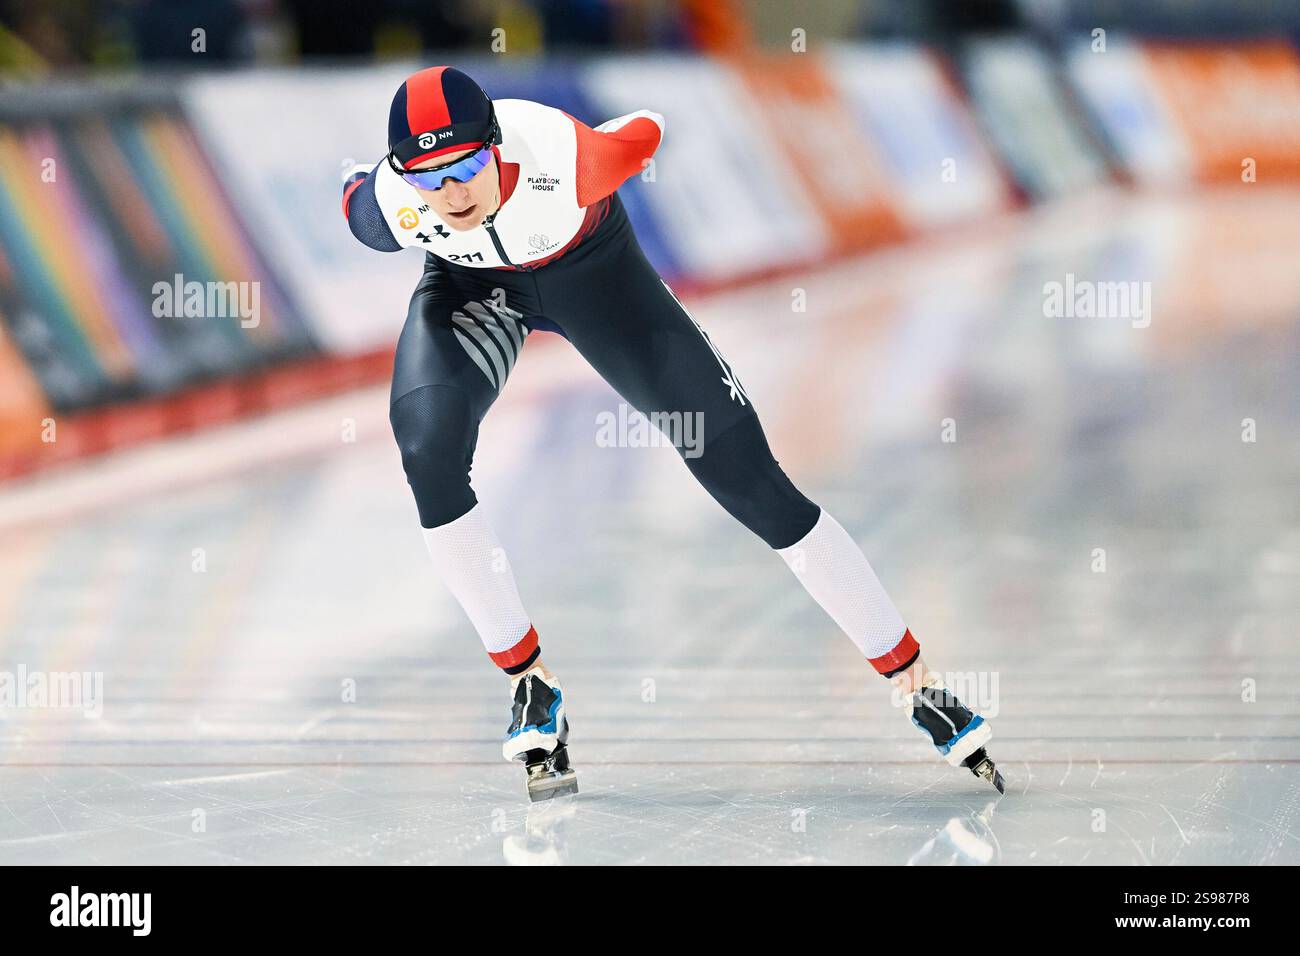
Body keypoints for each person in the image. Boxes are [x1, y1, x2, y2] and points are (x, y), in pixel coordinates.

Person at [341, 66, 1004, 800]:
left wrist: (633, 136)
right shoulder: (392, 207)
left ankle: (915, 680)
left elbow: (645, 129)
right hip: (474, 295)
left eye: (466, 166)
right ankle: (529, 681)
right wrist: (392, 188)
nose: (452, 193)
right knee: (426, 449)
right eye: (429, 177)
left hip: (599, 282)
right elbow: (358, 200)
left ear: (495, 147)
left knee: (752, 484)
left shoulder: (568, 159)